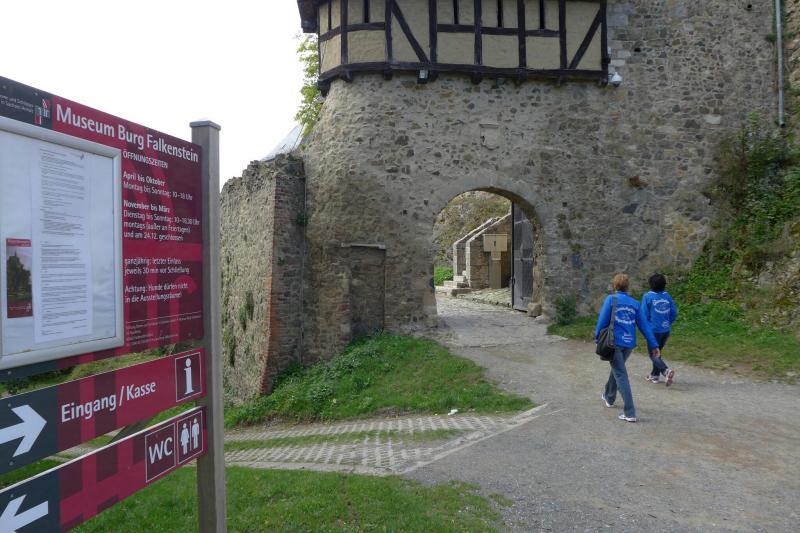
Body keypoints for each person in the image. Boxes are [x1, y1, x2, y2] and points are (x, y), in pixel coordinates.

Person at [595, 273, 660, 423]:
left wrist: (597, 336)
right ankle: (609, 397)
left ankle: (629, 412)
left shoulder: (611, 299)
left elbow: (602, 320)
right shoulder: (635, 303)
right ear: (627, 287)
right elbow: (645, 327)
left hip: (614, 343)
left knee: (621, 374)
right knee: (618, 369)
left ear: (615, 285)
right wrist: (654, 344)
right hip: (629, 344)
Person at [641, 273, 678, 386]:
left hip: (653, 331)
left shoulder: (647, 297)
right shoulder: (667, 296)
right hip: (665, 330)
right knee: (658, 352)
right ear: (664, 285)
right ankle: (654, 375)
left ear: (650, 284)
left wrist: (646, 328)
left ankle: (666, 371)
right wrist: (668, 323)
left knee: (653, 354)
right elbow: (673, 313)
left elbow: (644, 315)